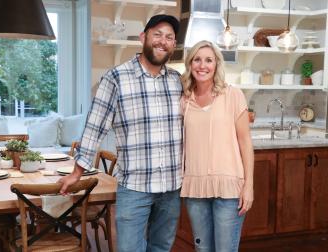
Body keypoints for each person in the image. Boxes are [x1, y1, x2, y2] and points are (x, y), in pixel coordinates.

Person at [58, 14, 183, 252]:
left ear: (173, 45)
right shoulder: (116, 78)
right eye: (157, 34)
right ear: (143, 37)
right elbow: (95, 127)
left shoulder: (177, 81)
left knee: (161, 248)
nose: (162, 41)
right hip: (135, 187)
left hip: (171, 187)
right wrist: (77, 172)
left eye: (169, 37)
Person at [180, 40, 254, 252]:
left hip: (229, 189)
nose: (202, 65)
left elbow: (245, 142)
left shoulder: (232, 95)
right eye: (197, 59)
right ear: (190, 64)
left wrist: (248, 186)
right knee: (203, 250)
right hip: (195, 189)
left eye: (208, 60)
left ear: (216, 65)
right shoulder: (185, 100)